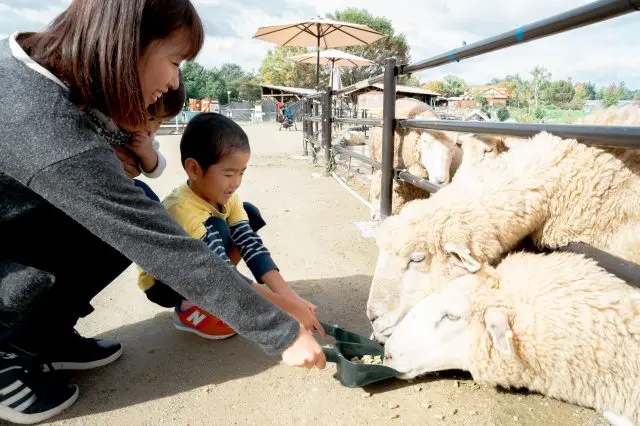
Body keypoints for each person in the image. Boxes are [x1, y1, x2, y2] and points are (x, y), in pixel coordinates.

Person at [0, 1, 324, 424]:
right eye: (174, 60)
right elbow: (159, 243)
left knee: (136, 201)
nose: (175, 79)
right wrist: (278, 329)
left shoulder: (54, 89)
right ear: (126, 43)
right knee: (142, 219)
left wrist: (284, 299)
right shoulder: (38, 118)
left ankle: (43, 337)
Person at [138, 112, 324, 339]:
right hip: (164, 284)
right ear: (194, 169)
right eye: (229, 173)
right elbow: (220, 272)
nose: (236, 183)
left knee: (248, 215)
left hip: (206, 266)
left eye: (241, 173)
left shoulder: (226, 195)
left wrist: (291, 298)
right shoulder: (182, 210)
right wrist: (282, 308)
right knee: (216, 227)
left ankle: (218, 296)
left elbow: (250, 244)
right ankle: (190, 307)